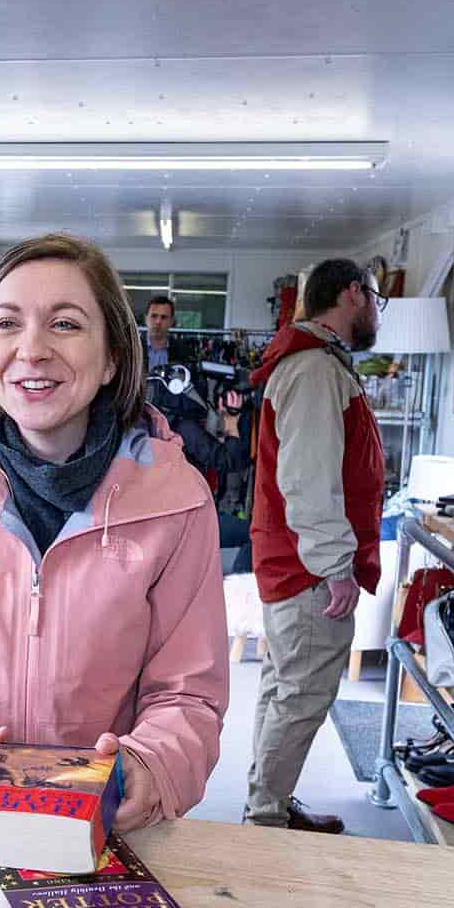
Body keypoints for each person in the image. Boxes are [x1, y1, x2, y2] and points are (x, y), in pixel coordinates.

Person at [0, 233, 229, 832]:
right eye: (6, 323)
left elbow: (189, 695)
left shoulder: (175, 505)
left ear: (111, 359)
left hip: (103, 829)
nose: (31, 349)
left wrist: (151, 769)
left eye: (65, 325)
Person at [242, 258, 387, 834]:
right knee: (301, 694)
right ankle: (266, 821)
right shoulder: (313, 370)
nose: (377, 310)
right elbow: (307, 478)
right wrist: (336, 567)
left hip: (294, 560)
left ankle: (270, 804)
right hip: (308, 568)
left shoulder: (314, 363)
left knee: (285, 687)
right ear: (353, 293)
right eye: (376, 297)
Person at [149, 368, 254, 573]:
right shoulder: (180, 426)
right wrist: (232, 421)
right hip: (191, 524)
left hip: (164, 526)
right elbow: (229, 460)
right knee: (257, 536)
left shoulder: (149, 427)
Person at [141, 294, 195, 370]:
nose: (158, 321)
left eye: (163, 317)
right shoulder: (131, 350)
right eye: (154, 316)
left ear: (171, 321)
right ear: (146, 319)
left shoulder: (183, 352)